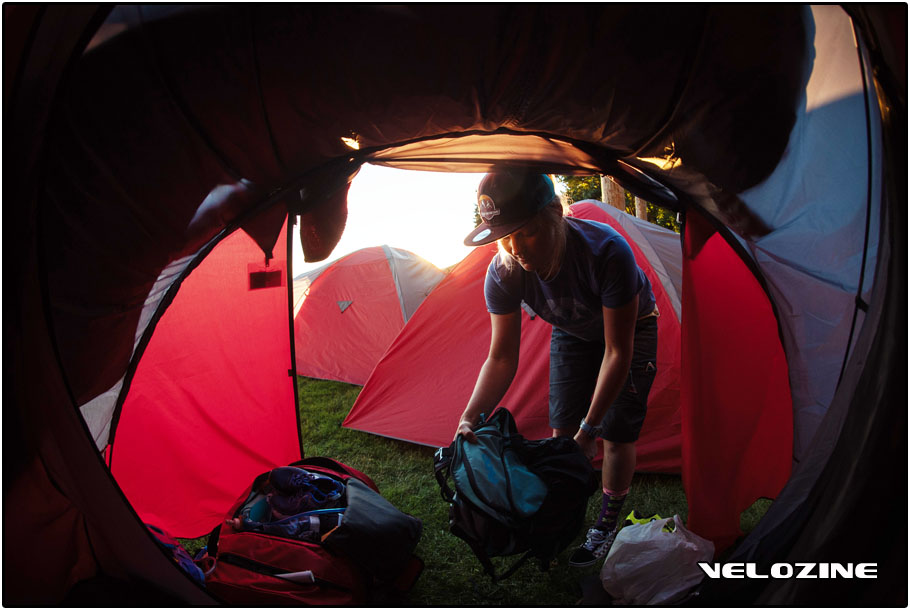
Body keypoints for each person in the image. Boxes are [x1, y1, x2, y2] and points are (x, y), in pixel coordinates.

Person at [455, 169, 658, 567]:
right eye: (504, 236)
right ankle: (561, 518)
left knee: (616, 432)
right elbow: (501, 357)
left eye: (526, 232)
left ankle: (606, 523)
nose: (515, 248)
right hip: (572, 330)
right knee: (562, 434)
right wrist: (469, 416)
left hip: (631, 330)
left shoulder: (606, 252)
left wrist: (591, 429)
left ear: (554, 215)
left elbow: (617, 351)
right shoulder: (503, 272)